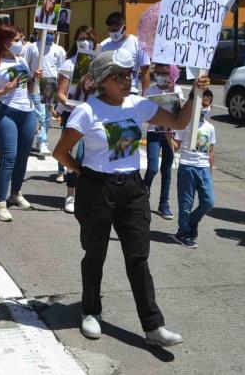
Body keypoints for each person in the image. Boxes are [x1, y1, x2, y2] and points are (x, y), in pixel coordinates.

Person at [53, 48, 210, 346]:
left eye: (128, 75)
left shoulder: (139, 105)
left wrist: (194, 95)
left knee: (138, 256)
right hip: (97, 189)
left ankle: (153, 326)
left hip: (132, 190)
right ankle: (90, 311)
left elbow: (177, 123)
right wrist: (82, 172)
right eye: (119, 76)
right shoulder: (87, 111)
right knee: (95, 253)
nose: (127, 81)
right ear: (101, 80)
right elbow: (60, 152)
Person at [0, 24, 41, 222]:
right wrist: (3, 91)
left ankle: (16, 193)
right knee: (9, 158)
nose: (20, 43)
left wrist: (34, 79)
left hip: (27, 111)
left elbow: (28, 88)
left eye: (20, 39)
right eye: (17, 40)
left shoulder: (21, 59)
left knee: (23, 157)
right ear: (6, 42)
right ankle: (0, 203)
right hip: (5, 111)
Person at [55, 25, 98, 212]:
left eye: (88, 38)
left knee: (91, 155)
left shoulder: (99, 63)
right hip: (72, 114)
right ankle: (70, 196)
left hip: (95, 116)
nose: (85, 41)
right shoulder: (69, 63)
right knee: (74, 155)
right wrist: (74, 106)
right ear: (75, 40)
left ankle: (88, 194)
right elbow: (61, 94)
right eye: (81, 38)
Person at [172, 89, 216, 248]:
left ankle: (192, 221)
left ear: (211, 106)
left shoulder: (210, 128)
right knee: (185, 204)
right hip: (187, 166)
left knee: (209, 201)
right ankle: (182, 233)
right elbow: (175, 146)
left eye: (206, 105)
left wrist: (210, 171)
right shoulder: (185, 124)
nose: (203, 108)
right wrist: (168, 135)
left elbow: (211, 151)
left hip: (203, 169)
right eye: (200, 105)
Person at [143, 63, 185, 220]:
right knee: (153, 167)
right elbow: (145, 113)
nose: (160, 76)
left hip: (169, 133)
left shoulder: (178, 90)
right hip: (154, 132)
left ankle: (163, 204)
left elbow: (181, 113)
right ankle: (143, 195)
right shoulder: (150, 91)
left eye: (165, 73)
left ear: (172, 74)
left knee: (166, 170)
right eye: (157, 72)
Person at [25, 32, 66, 156]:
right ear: (39, 32)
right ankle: (43, 141)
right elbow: (26, 66)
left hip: (50, 85)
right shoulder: (32, 47)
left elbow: (61, 70)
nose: (50, 35)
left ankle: (40, 141)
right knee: (41, 115)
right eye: (48, 32)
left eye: (53, 33)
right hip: (36, 85)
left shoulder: (59, 50)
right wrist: (31, 78)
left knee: (47, 117)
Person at [99, 12, 150, 94]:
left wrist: (146, 96)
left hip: (130, 92)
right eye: (109, 30)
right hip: (110, 93)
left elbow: (145, 72)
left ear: (124, 28)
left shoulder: (138, 43)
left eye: (115, 30)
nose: (111, 33)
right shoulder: (103, 45)